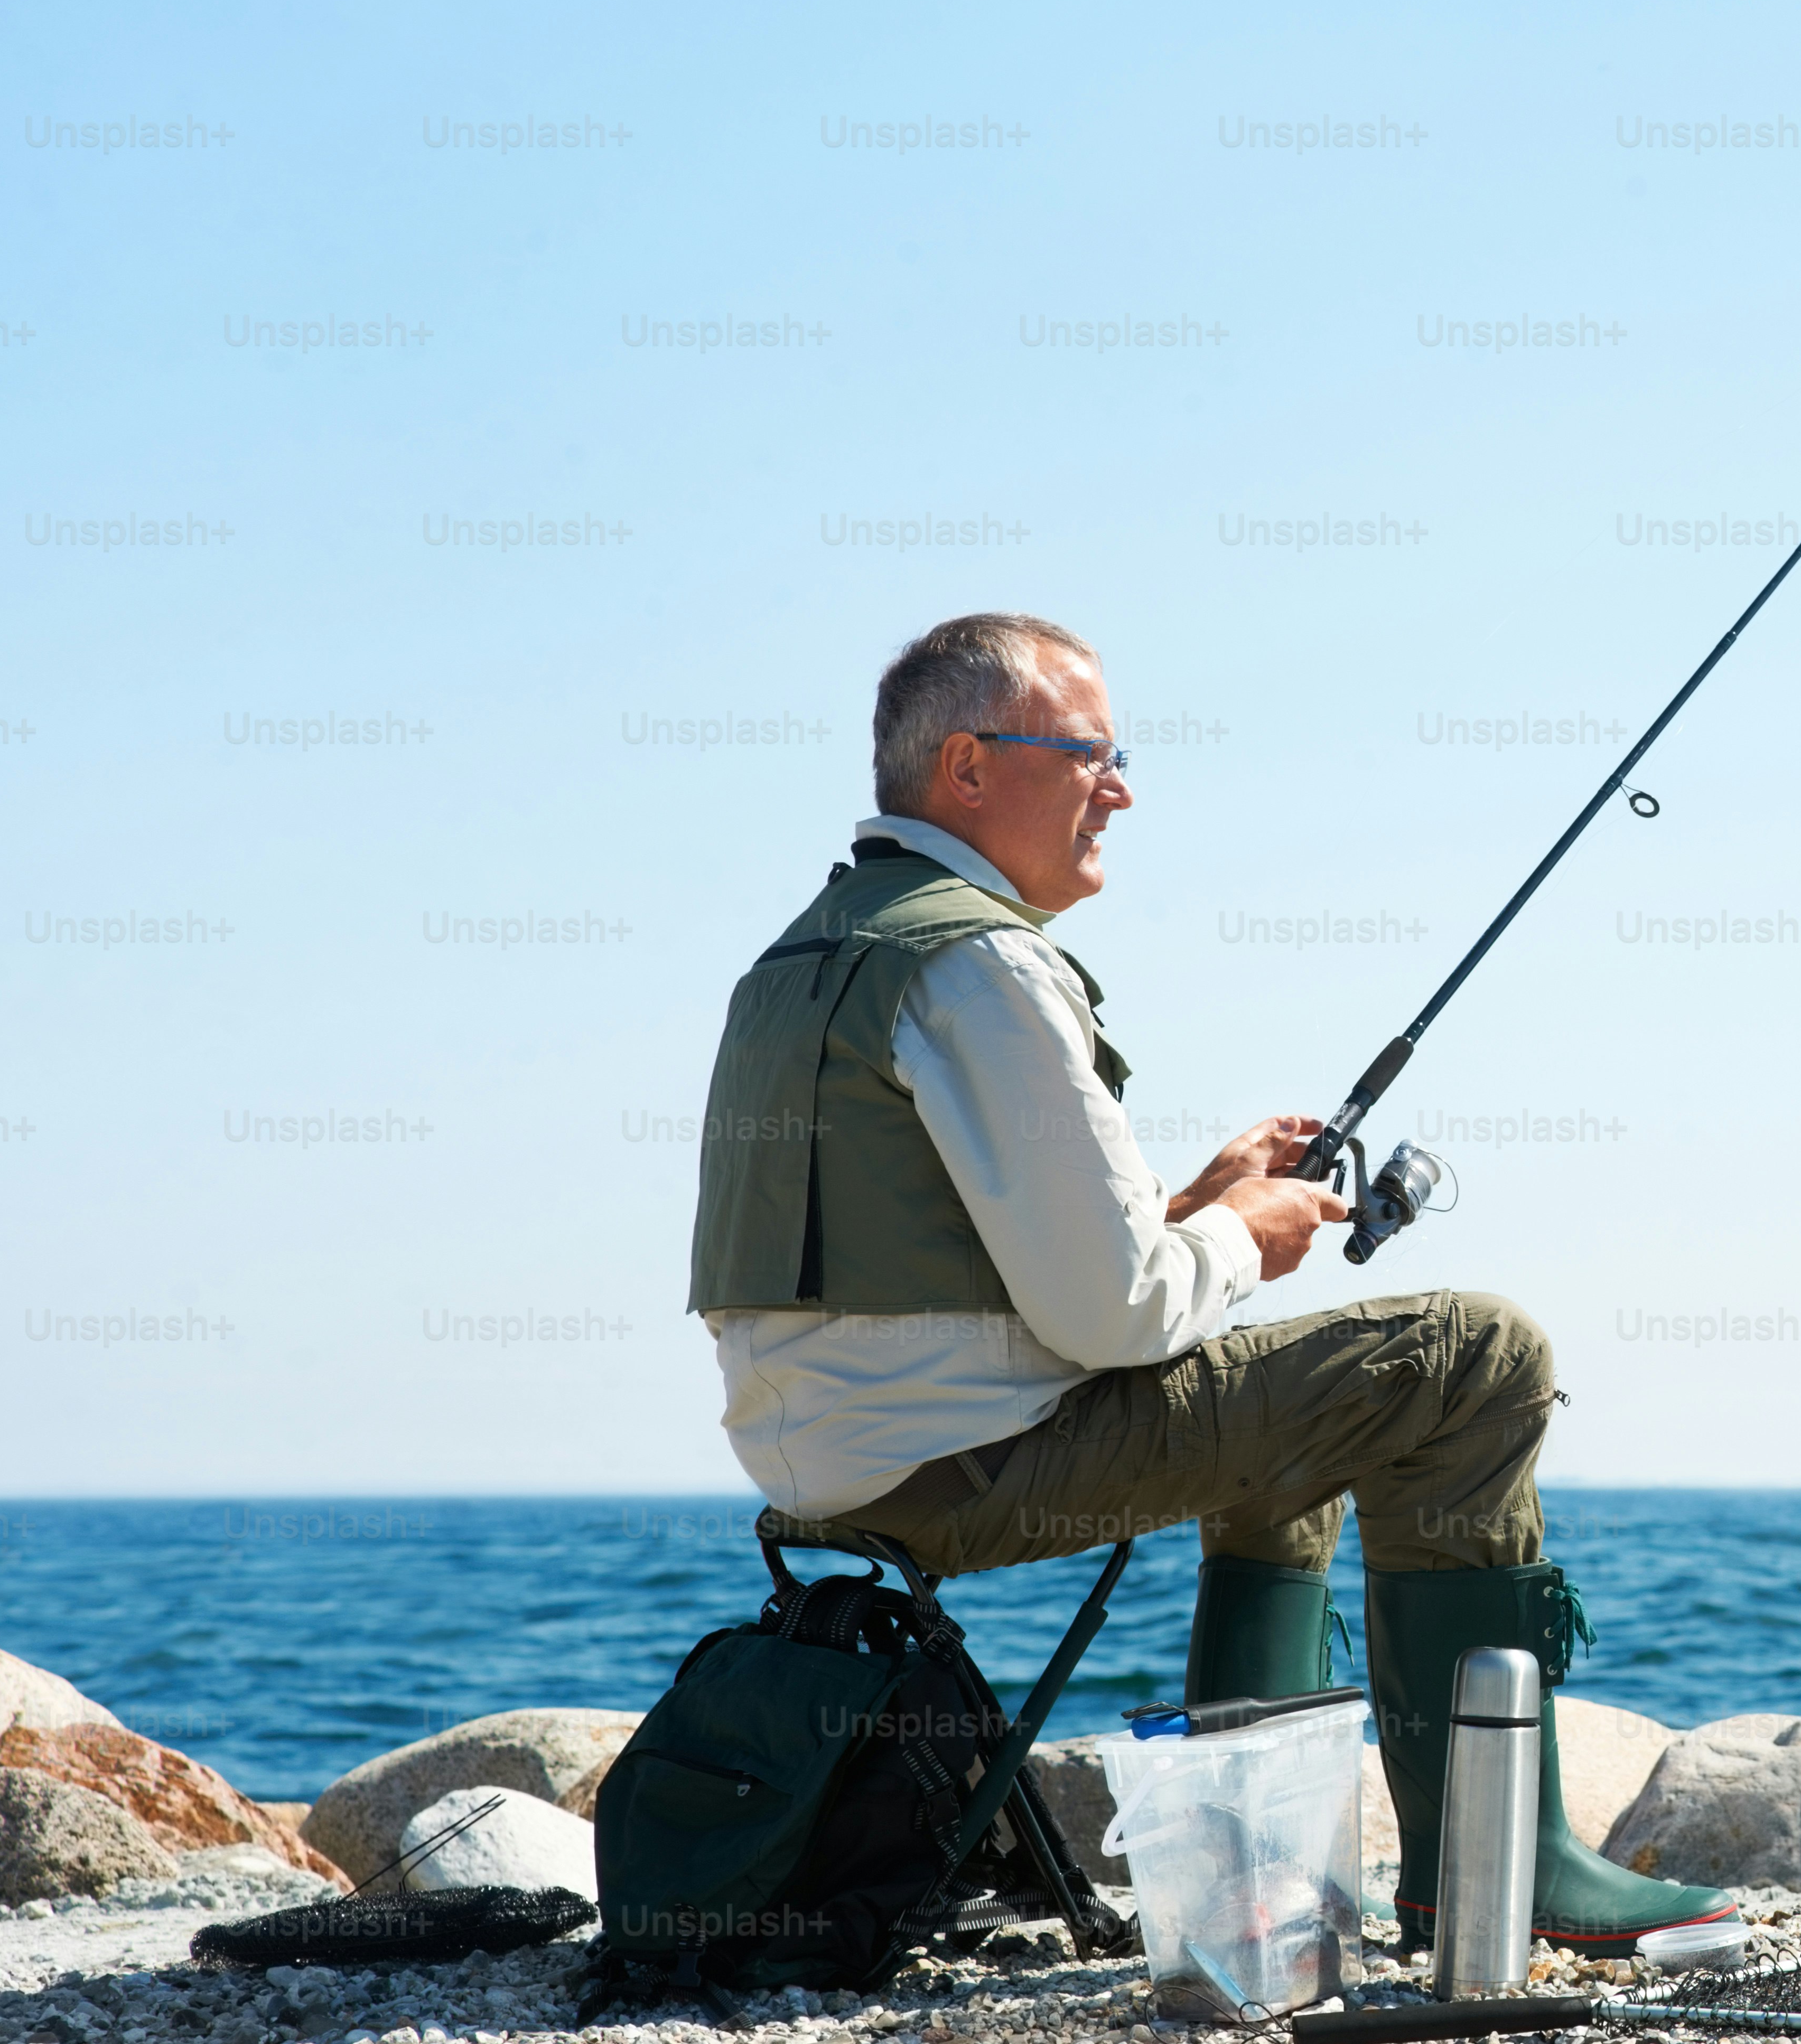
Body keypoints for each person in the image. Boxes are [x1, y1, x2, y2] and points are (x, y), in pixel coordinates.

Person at [689, 611, 1729, 1955]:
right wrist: (1243, 1234)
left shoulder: (808, 957)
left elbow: (949, 1268)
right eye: (1088, 755)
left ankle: (1263, 1875)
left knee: (1301, 1409)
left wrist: (1194, 1206)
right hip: (973, 1464)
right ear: (965, 767)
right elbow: (1113, 1317)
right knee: (1480, 1352)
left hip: (840, 1465)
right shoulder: (981, 963)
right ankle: (1495, 1866)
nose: (1117, 789)